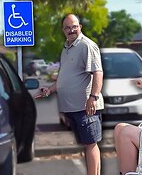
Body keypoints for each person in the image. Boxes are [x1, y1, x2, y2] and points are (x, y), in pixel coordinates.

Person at [41, 14, 104, 175]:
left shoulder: (87, 45)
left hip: (86, 107)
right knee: (86, 144)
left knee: (91, 144)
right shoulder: (67, 48)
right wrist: (50, 90)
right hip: (72, 108)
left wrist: (93, 97)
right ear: (63, 30)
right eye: (68, 28)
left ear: (80, 27)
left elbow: (98, 73)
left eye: (74, 26)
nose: (71, 30)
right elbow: (65, 77)